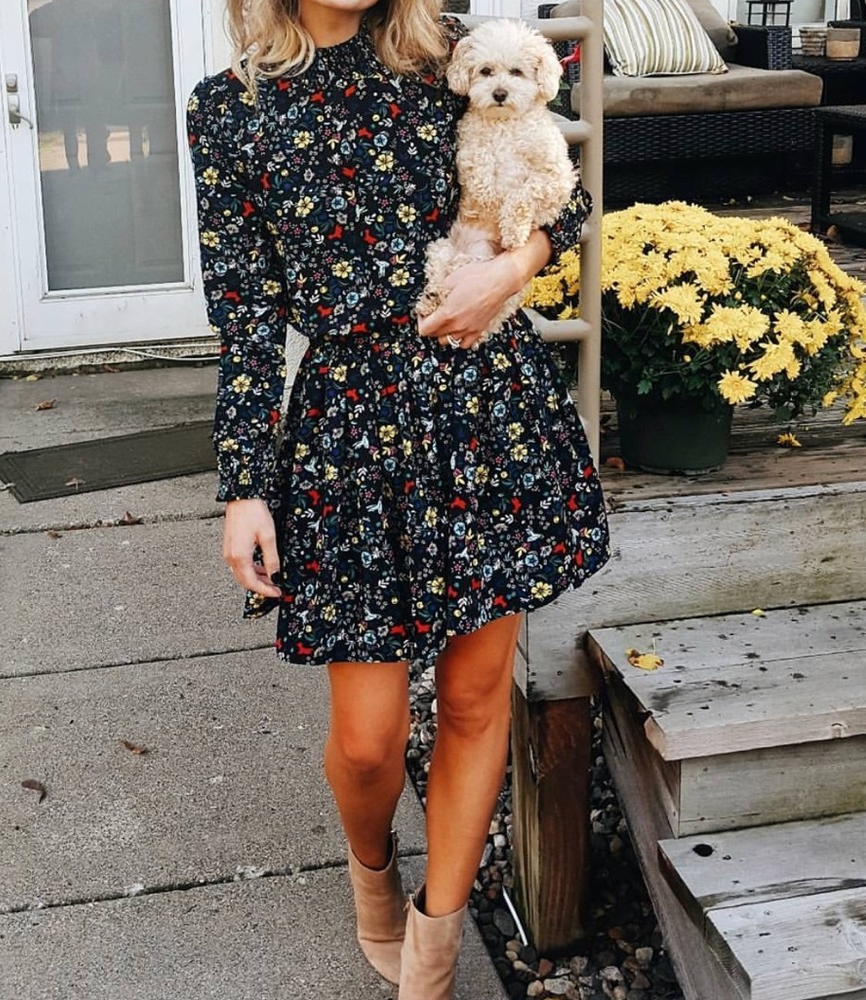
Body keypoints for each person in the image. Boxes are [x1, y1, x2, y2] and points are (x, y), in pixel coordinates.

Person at [186, 2, 610, 995]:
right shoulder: (232, 108)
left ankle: (435, 935)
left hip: (485, 407)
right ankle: (370, 862)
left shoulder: (454, 58)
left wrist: (511, 266)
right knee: (371, 739)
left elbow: (566, 202)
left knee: (469, 699)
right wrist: (245, 485)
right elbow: (242, 313)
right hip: (344, 429)